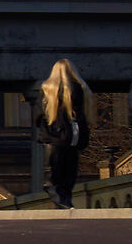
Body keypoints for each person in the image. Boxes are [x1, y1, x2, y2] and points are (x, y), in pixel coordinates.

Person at [31, 58, 96, 210]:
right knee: (69, 173)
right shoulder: (78, 89)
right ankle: (64, 200)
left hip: (52, 138)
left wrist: (45, 133)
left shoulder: (46, 90)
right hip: (71, 137)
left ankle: (61, 201)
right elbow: (81, 116)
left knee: (56, 173)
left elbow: (38, 117)